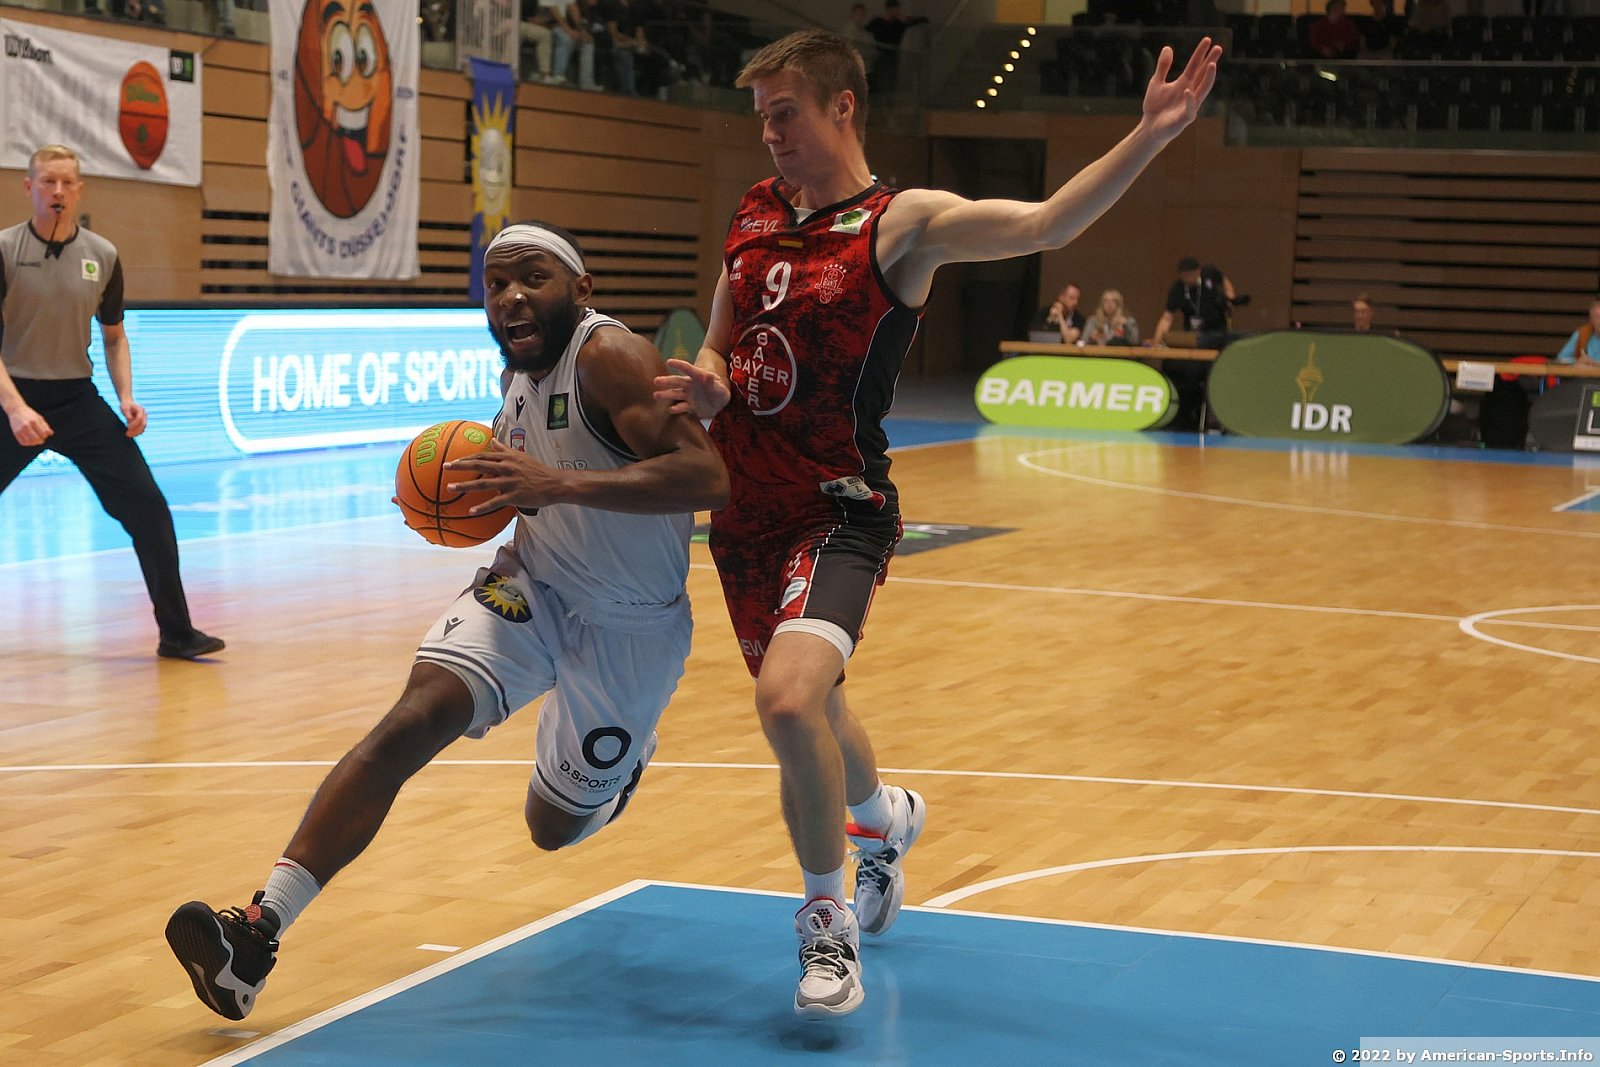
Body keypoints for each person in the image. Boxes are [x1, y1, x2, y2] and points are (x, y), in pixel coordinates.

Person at [653, 30, 1220, 1016]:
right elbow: (717, 339)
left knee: (787, 702)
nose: (770, 134)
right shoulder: (753, 211)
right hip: (744, 513)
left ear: (842, 106)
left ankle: (825, 927)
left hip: (838, 510)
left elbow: (1045, 222)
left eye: (785, 114)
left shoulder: (900, 224)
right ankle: (883, 819)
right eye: (761, 119)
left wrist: (1149, 136)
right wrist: (705, 381)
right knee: (818, 708)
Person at [164, 221, 728, 1021]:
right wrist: (476, 496)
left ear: (581, 288)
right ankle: (255, 934)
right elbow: (534, 475)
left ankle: (621, 766)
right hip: (534, 584)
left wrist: (557, 484)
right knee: (413, 719)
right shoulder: (517, 370)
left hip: (629, 625)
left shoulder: (610, 356)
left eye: (532, 278)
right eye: (497, 284)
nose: (512, 297)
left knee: (552, 826)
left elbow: (707, 477)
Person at [0, 144, 224, 661]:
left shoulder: (101, 255)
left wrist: (126, 396)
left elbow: (115, 336)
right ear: (29, 187)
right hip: (12, 395)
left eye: (67, 183)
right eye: (47, 181)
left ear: (79, 191)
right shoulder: (5, 249)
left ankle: (177, 633)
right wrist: (15, 408)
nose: (57, 191)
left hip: (77, 399)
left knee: (149, 508)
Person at [864, 0, 929, 98]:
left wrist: (905, 19)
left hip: (893, 56)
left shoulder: (899, 23)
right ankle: (879, 100)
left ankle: (889, 101)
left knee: (891, 80)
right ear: (889, 10)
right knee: (880, 79)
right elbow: (865, 29)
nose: (898, 11)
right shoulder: (878, 21)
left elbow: (923, 20)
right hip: (880, 55)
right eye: (896, 9)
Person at [1555, 298, 1600, 364]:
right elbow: (1561, 358)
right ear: (1591, 319)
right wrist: (1577, 361)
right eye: (1597, 317)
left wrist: (1595, 363)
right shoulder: (1582, 333)